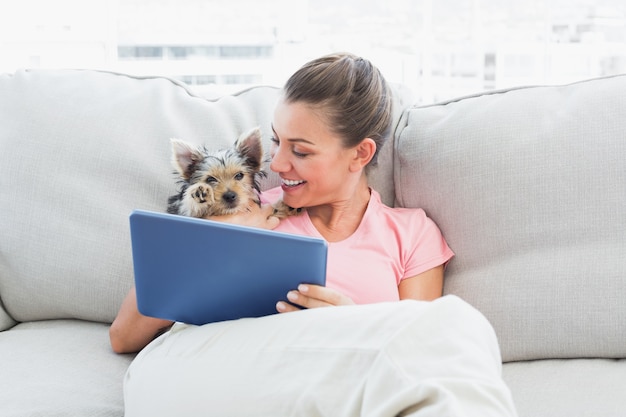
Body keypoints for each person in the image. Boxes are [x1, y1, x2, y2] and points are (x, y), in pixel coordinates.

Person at [113, 53, 518, 416]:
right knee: (459, 326)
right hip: (197, 371)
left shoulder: (411, 234)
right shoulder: (240, 207)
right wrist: (235, 232)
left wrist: (348, 322)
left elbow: (422, 357)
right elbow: (125, 335)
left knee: (452, 326)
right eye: (276, 141)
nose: (278, 162)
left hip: (320, 389)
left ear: (360, 154)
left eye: (301, 151)